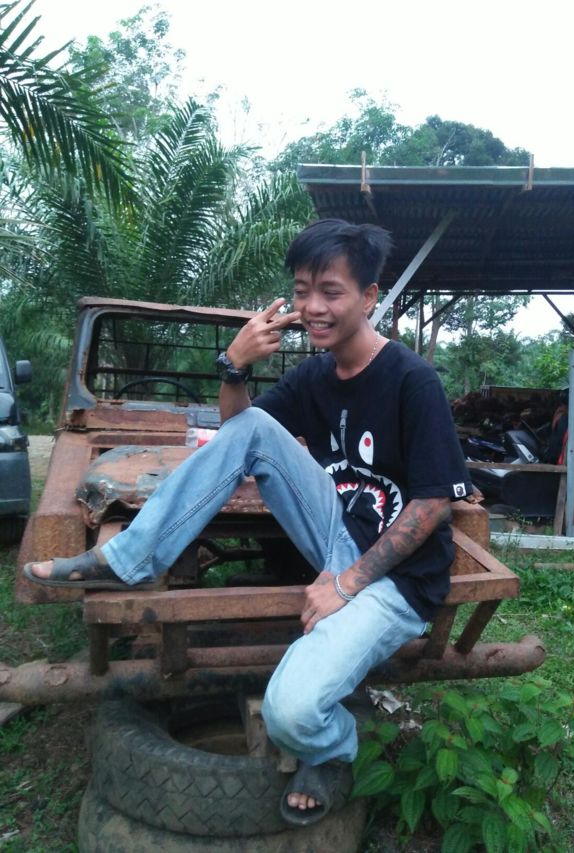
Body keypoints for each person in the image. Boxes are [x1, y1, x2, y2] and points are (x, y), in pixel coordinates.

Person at [24, 218, 472, 826]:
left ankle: (333, 748)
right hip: (340, 531)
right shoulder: (315, 374)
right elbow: (239, 431)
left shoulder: (412, 380)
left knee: (291, 714)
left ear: (369, 297)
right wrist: (233, 366)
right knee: (256, 427)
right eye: (303, 290)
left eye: (331, 292)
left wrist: (346, 583)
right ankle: (127, 560)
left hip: (398, 579)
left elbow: (432, 505)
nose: (313, 308)